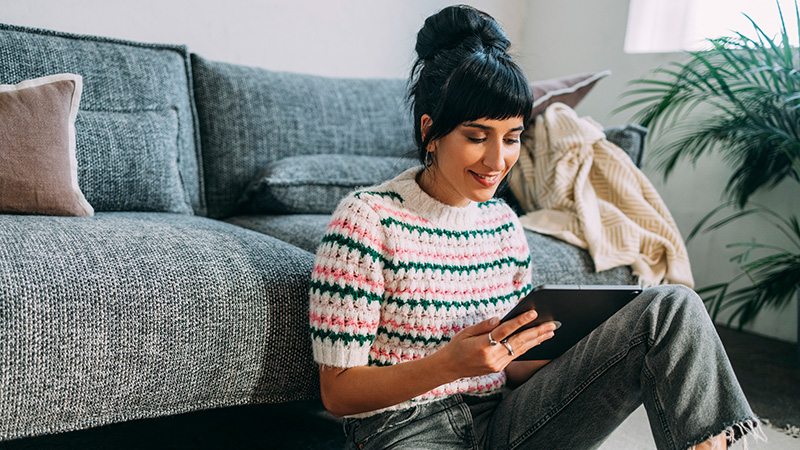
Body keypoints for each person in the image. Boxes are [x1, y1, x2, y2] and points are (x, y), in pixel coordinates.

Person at [308, 5, 761, 450]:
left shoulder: (503, 225)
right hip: (404, 430)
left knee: (672, 307)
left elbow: (517, 371)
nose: (496, 160)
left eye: (511, 138)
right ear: (430, 131)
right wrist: (449, 364)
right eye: (476, 136)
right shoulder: (366, 221)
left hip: (504, 419)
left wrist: (585, 343)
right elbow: (339, 393)